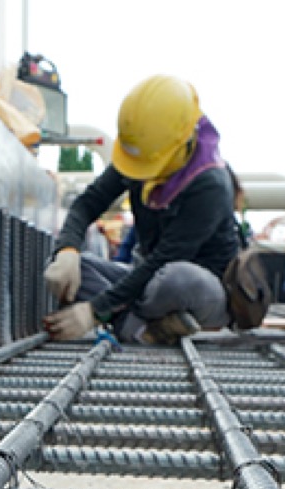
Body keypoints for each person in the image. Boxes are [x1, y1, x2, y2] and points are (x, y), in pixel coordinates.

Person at [42, 74, 241, 344]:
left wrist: (94, 310)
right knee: (78, 269)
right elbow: (87, 204)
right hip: (146, 281)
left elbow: (164, 259)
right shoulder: (143, 152)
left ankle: (136, 322)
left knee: (175, 279)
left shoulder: (210, 185)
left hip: (199, 291)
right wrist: (67, 251)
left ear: (180, 143)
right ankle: (144, 332)